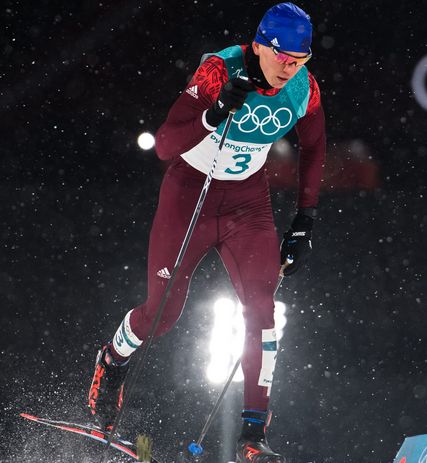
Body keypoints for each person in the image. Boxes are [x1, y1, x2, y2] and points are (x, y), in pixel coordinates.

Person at [86, 3, 325, 462]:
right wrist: (213, 114)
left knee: (262, 311)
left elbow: (314, 147)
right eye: (282, 58)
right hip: (188, 196)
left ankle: (252, 436)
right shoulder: (218, 70)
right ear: (260, 46)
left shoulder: (304, 88)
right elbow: (164, 144)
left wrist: (304, 220)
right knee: (163, 314)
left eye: (300, 61)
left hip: (247, 205)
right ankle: (112, 360)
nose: (289, 69)